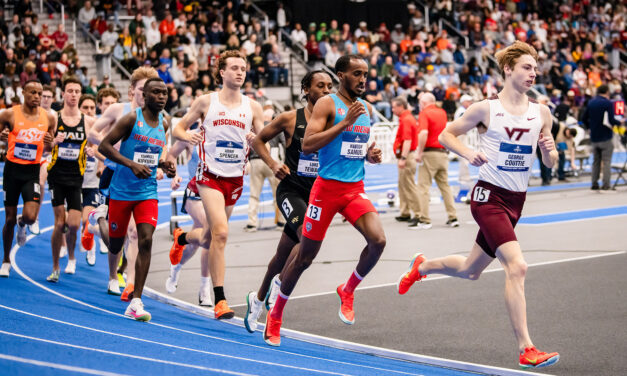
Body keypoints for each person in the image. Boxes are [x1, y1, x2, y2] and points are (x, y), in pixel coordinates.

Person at [397, 41, 560, 369]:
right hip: (488, 196)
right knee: (517, 266)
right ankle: (527, 348)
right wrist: (469, 153)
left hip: (516, 200)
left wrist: (548, 149)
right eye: (527, 67)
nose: (534, 73)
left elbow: (552, 162)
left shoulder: (542, 113)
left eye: (535, 68)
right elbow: (445, 135)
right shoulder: (486, 108)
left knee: (471, 271)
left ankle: (422, 267)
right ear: (508, 69)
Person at [263, 55, 384, 346]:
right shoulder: (328, 104)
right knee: (304, 257)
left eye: (365, 74)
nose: (363, 79)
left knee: (378, 241)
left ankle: (348, 289)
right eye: (356, 73)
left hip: (354, 188)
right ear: (341, 75)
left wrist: (369, 154)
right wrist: (345, 123)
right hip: (326, 189)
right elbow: (308, 144)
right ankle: (276, 313)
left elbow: (353, 146)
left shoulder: (365, 108)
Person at [169, 50, 264, 320]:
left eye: (243, 68)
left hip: (234, 178)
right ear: (221, 72)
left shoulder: (252, 107)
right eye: (234, 67)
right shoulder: (205, 102)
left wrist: (254, 139)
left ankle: (183, 237)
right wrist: (188, 134)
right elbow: (177, 129)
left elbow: (263, 137)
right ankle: (220, 300)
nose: (239, 72)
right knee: (221, 233)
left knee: (210, 237)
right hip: (209, 175)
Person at [244, 71, 333, 333]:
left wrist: (369, 155)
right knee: (307, 236)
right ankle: (281, 283)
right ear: (306, 89)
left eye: (330, 86)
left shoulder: (335, 121)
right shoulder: (290, 119)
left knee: (283, 253)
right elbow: (259, 140)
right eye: (320, 86)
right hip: (291, 191)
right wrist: (272, 163)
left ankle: (258, 299)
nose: (326, 90)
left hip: (317, 194)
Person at [99, 77, 175, 321]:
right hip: (121, 190)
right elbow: (104, 145)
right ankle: (99, 218)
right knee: (115, 245)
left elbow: (153, 155)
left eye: (164, 93)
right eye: (156, 92)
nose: (161, 97)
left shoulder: (166, 121)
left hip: (147, 191)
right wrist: (131, 164)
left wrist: (165, 164)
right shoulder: (132, 118)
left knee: (145, 239)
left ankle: (136, 300)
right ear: (144, 95)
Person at [86, 66, 159, 297]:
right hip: (114, 175)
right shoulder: (119, 110)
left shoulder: (156, 116)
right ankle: (111, 275)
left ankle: (130, 281)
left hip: (139, 181)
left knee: (136, 233)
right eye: (141, 90)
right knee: (120, 238)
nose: (145, 94)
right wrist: (115, 150)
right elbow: (92, 133)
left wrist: (161, 163)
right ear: (132, 92)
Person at [0, 80, 55, 277]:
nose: (37, 97)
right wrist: (3, 136)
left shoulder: (48, 118)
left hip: (32, 171)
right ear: (23, 93)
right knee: (8, 219)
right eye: (32, 93)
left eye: (40, 94)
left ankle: (22, 224)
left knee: (31, 217)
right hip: (12, 171)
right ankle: (6, 259)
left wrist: (50, 143)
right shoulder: (9, 114)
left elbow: (49, 148)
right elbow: (0, 136)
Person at [46, 77, 96, 282]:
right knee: (59, 223)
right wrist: (53, 143)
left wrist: (93, 150)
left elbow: (98, 145)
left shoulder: (88, 121)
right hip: (56, 176)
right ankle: (56, 266)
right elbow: (45, 147)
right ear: (63, 94)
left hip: (77, 178)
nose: (73, 94)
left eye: (77, 91)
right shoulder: (53, 118)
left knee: (74, 224)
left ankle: (73, 257)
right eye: (70, 91)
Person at [164, 140, 215, 307]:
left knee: (196, 244)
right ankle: (204, 289)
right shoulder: (190, 136)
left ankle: (176, 267)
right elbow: (171, 155)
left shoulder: (223, 131)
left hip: (215, 193)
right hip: (194, 192)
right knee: (209, 234)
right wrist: (175, 175)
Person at [413, 92, 458, 229]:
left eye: (420, 102)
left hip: (430, 153)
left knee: (423, 187)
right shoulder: (442, 112)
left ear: (424, 103)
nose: (419, 104)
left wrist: (419, 152)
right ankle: (453, 216)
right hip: (442, 153)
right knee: (445, 186)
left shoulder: (425, 113)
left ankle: (424, 219)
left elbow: (423, 133)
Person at [244, 103, 284, 232]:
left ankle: (252, 223)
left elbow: (248, 146)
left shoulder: (253, 128)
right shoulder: (276, 128)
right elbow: (284, 144)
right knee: (277, 194)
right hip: (272, 161)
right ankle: (281, 222)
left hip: (256, 161)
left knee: (254, 194)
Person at [581, 84, 622, 190]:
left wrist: (589, 128)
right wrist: (620, 122)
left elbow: (583, 118)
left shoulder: (591, 102)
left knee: (596, 161)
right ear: (607, 91)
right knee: (607, 161)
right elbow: (611, 120)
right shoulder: (607, 103)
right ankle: (606, 184)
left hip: (594, 137)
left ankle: (594, 183)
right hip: (606, 137)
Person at [77, 94, 102, 266]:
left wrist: (101, 163)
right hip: (72, 183)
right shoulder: (74, 131)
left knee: (86, 220)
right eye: (85, 108)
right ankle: (67, 248)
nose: (89, 111)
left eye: (92, 108)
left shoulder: (100, 133)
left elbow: (106, 153)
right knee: (67, 223)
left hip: (92, 185)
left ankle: (90, 243)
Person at [391, 96, 421, 224]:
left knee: (408, 185)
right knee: (403, 184)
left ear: (400, 106)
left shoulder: (407, 120)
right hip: (406, 155)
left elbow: (407, 140)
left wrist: (403, 158)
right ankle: (405, 212)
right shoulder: (406, 118)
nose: (392, 109)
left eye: (393, 107)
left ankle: (418, 213)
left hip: (407, 156)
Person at [454, 94, 476, 200]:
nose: (470, 103)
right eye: (469, 101)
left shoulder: (461, 111)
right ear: (464, 102)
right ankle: (464, 179)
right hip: (461, 135)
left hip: (461, 135)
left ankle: (464, 178)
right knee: (464, 159)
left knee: (464, 158)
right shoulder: (462, 111)